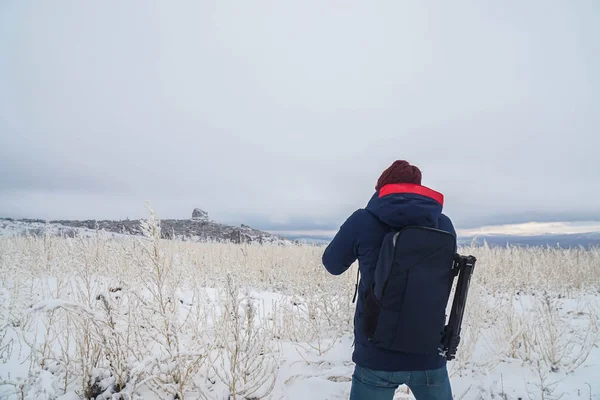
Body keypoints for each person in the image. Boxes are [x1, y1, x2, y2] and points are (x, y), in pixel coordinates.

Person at [322, 160, 456, 400]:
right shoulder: (443, 224)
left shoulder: (363, 220)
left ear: (382, 188)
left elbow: (332, 264)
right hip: (428, 351)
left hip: (376, 353)